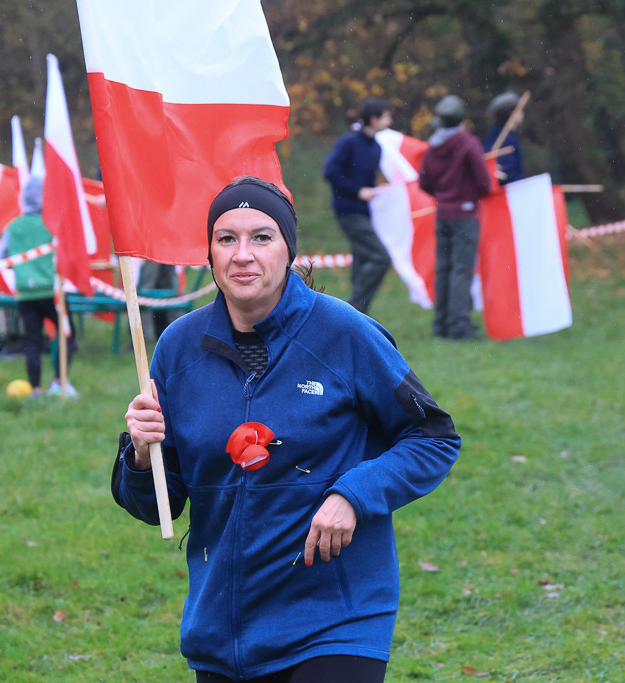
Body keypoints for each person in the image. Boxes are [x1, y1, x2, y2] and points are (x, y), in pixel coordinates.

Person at [113, 176, 461, 682]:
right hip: (224, 631)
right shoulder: (177, 349)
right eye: (226, 239)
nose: (243, 255)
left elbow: (434, 437)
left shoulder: (345, 334)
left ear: (289, 250)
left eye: (262, 237)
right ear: (209, 253)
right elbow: (153, 505)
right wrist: (143, 456)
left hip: (335, 619)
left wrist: (354, 494)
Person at [419, 95, 492, 340]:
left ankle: (441, 324)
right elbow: (484, 181)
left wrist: (444, 195)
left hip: (443, 214)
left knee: (444, 269)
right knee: (461, 270)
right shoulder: (468, 143)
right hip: (465, 214)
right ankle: (459, 326)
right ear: (462, 118)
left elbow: (425, 182)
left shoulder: (433, 146)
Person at [0, 176, 78, 398]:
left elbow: (2, 256)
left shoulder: (13, 226)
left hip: (25, 293)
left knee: (32, 341)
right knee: (67, 336)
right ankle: (58, 382)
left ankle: (35, 389)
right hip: (52, 294)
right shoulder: (51, 224)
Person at [323, 97, 394, 314]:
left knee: (363, 261)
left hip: (365, 211)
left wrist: (375, 189)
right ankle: (353, 308)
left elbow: (366, 180)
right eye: (387, 115)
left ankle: (359, 317)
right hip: (348, 210)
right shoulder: (349, 142)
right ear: (373, 119)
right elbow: (330, 172)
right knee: (380, 258)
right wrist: (357, 190)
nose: (391, 120)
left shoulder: (376, 147)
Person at [483, 91, 525, 185]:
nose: (522, 113)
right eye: (519, 110)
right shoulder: (504, 138)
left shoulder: (498, 134)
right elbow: (504, 173)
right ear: (511, 113)